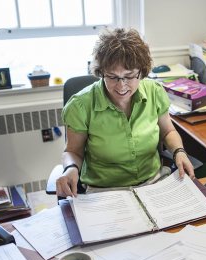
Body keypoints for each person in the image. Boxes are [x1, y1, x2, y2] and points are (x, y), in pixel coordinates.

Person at [56, 28, 194, 197]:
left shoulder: (154, 91)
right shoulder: (80, 106)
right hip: (105, 191)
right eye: (112, 77)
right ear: (101, 73)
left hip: (153, 183)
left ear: (141, 72)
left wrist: (179, 151)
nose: (121, 86)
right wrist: (70, 169)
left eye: (129, 76)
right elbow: (73, 151)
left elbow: (168, 131)